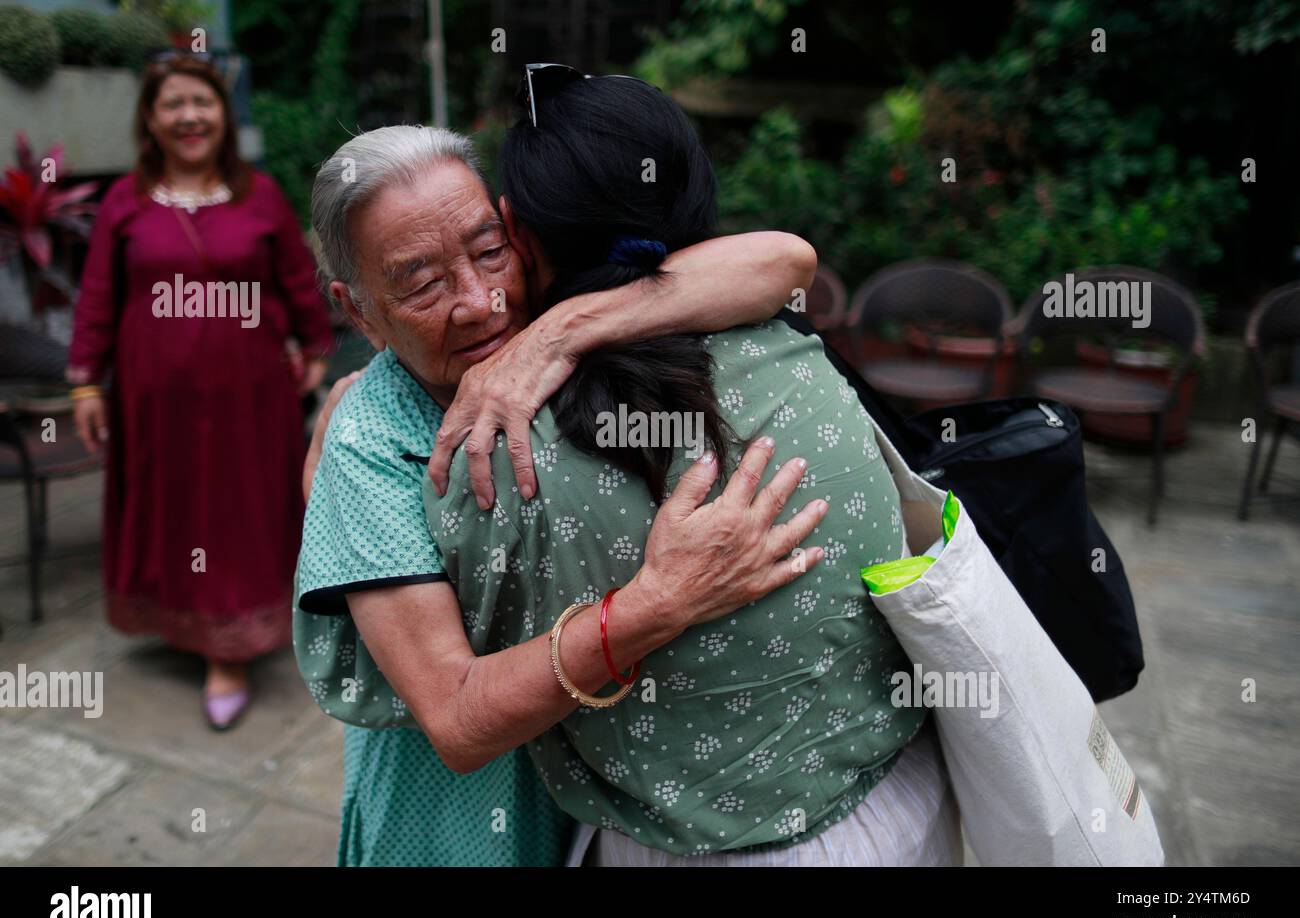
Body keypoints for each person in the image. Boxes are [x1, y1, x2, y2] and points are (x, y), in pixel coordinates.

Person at [420, 68, 962, 865]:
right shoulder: (800, 357)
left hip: (695, 849)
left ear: (517, 233)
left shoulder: (500, 460)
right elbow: (786, 256)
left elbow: (459, 700)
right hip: (906, 809)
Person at [296, 124, 824, 866]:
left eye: (488, 252)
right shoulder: (368, 448)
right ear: (359, 314)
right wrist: (656, 604)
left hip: (607, 791)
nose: (480, 304)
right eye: (422, 284)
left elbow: (786, 261)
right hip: (464, 816)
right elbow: (454, 716)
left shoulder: (542, 319)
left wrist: (560, 333)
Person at [67, 54, 334, 730]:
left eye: (203, 102)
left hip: (248, 397)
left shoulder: (262, 196)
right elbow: (98, 296)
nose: (190, 117)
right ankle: (179, 619)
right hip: (155, 400)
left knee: (236, 511)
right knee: (177, 509)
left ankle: (230, 647)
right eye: (173, 104)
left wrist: (314, 345)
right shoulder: (124, 203)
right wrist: (83, 386)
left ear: (224, 114)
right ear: (151, 121)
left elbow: (298, 281)